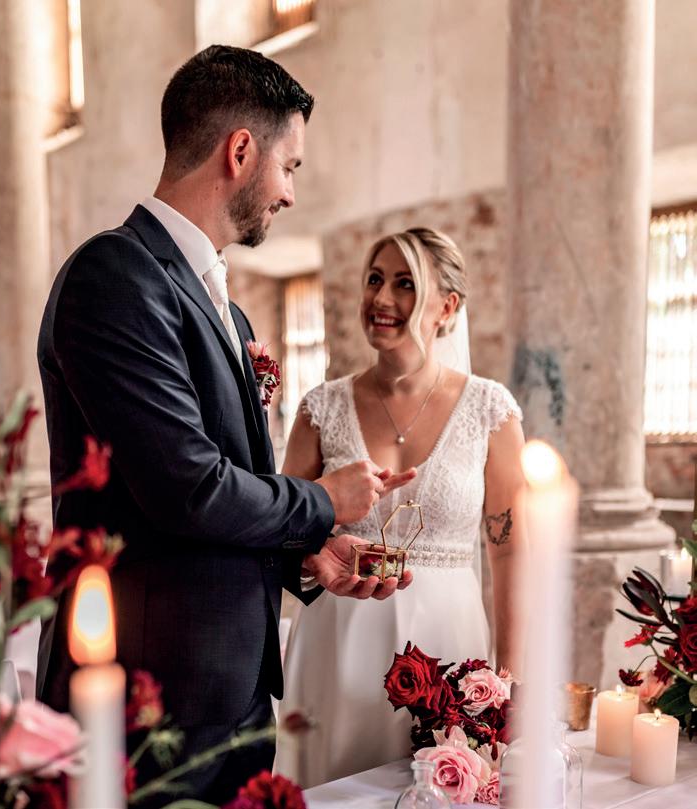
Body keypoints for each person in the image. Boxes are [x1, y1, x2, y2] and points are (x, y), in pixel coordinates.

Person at [36, 45, 415, 806]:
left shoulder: (228, 311)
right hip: (145, 703)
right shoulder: (115, 276)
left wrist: (307, 554)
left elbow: (227, 488)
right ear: (240, 152)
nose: (291, 193)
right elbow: (189, 487)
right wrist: (323, 500)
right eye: (290, 166)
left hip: (231, 696)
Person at [277, 227, 526, 788]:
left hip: (448, 645)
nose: (381, 298)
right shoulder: (321, 409)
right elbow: (282, 527)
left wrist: (508, 682)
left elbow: (511, 555)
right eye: (374, 279)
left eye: (405, 284)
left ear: (447, 307)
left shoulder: (490, 412)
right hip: (337, 642)